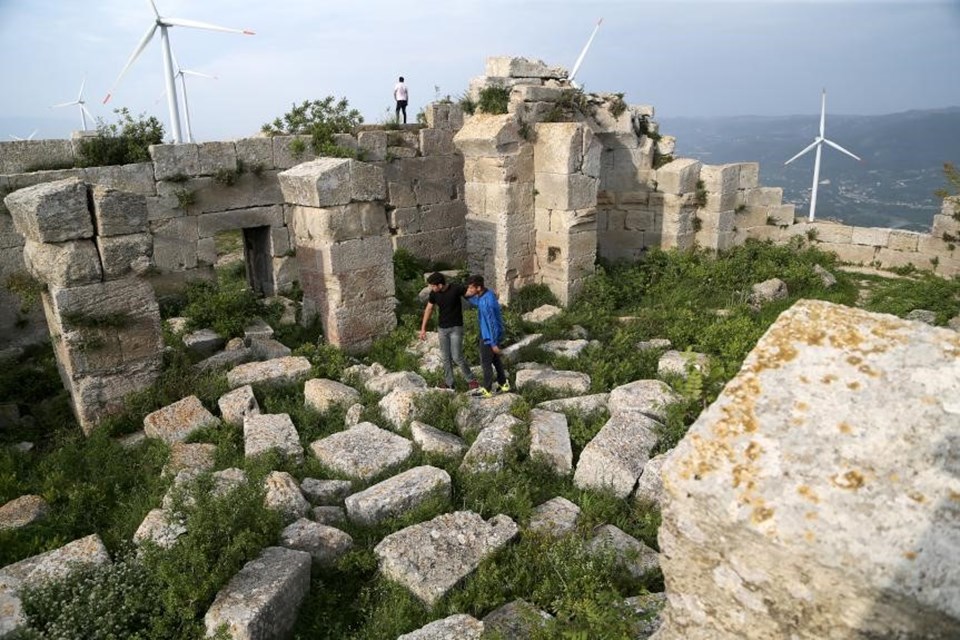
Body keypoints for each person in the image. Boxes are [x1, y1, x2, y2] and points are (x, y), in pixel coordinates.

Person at [420, 272, 479, 391]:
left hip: (456, 328)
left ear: (440, 285)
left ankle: (472, 380)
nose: (431, 288)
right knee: (445, 357)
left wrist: (483, 294)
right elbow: (429, 309)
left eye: (433, 286)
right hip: (442, 329)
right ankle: (449, 383)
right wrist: (423, 328)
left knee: (457, 357)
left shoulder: (456, 288)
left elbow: (470, 292)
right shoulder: (434, 294)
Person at [464, 274, 510, 398]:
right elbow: (477, 301)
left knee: (485, 363)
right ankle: (503, 384)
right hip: (490, 334)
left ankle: (487, 389)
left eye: (471, 288)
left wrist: (493, 343)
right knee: (495, 360)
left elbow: (492, 323)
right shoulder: (485, 294)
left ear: (478, 288)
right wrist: (467, 296)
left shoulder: (487, 302)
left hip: (489, 336)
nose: (470, 290)